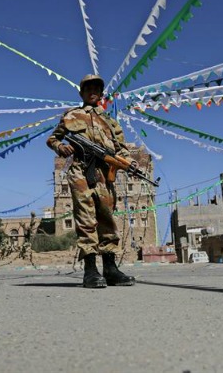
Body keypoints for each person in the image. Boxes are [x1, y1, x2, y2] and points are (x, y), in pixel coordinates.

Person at [46, 74, 136, 288]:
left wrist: (127, 161)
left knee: (107, 218)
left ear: (101, 93)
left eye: (96, 87)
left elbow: (122, 149)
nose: (92, 90)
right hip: (80, 171)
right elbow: (53, 138)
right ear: (82, 93)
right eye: (88, 88)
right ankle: (90, 270)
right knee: (86, 218)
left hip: (105, 175)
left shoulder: (110, 122)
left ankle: (110, 268)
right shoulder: (71, 116)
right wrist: (61, 147)